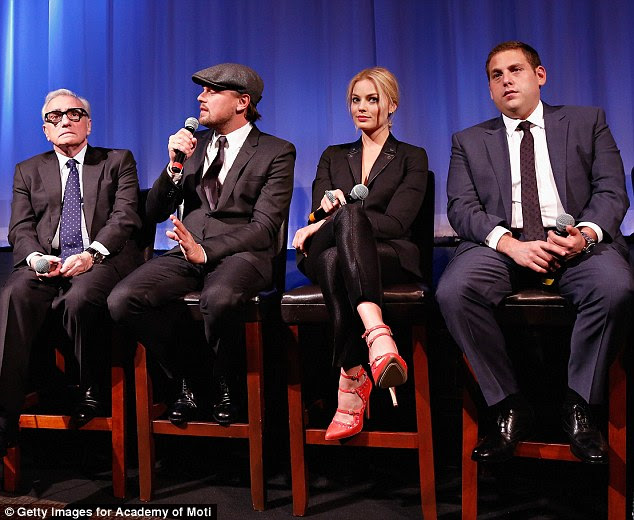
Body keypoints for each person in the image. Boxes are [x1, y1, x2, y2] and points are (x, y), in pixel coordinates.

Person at [436, 41, 634, 464]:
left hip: (572, 242)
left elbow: (612, 191)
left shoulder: (587, 122)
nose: (507, 80)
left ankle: (580, 405)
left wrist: (586, 234)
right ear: (490, 89)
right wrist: (509, 244)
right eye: (497, 75)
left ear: (539, 76)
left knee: (614, 286)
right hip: (503, 244)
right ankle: (508, 405)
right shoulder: (468, 140)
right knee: (454, 292)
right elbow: (461, 207)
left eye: (516, 70)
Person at [108, 63, 295, 426]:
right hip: (186, 253)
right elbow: (154, 212)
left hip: (242, 255)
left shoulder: (276, 151)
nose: (200, 98)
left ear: (242, 102)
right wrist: (173, 167)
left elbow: (264, 228)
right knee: (123, 300)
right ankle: (190, 378)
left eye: (212, 91)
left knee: (218, 298)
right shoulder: (193, 147)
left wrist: (207, 251)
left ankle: (227, 385)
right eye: (202, 90)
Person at [0, 88, 141, 454]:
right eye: (55, 116)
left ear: (88, 124)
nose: (64, 120)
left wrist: (91, 254)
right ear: (46, 130)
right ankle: (5, 413)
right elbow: (20, 227)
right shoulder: (28, 170)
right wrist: (35, 258)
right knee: (14, 294)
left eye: (74, 114)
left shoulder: (117, 160)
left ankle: (91, 387)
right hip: (47, 261)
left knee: (79, 297)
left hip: (101, 259)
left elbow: (125, 216)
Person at [292, 67, 428, 441]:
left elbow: (398, 222)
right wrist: (322, 216)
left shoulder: (411, 157)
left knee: (338, 253)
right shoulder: (333, 155)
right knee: (339, 233)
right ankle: (377, 334)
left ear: (392, 105)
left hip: (386, 252)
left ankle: (352, 377)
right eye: (356, 100)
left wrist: (338, 219)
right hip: (325, 245)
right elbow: (315, 214)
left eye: (372, 99)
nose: (361, 107)